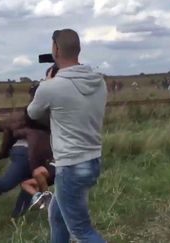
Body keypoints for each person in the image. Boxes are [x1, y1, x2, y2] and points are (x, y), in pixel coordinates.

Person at [27, 29, 106, 242]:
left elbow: (32, 113)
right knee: (57, 216)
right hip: (92, 160)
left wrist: (48, 83)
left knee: (82, 231)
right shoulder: (99, 81)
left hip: (70, 166)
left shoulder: (50, 87)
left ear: (56, 49)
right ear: (78, 50)